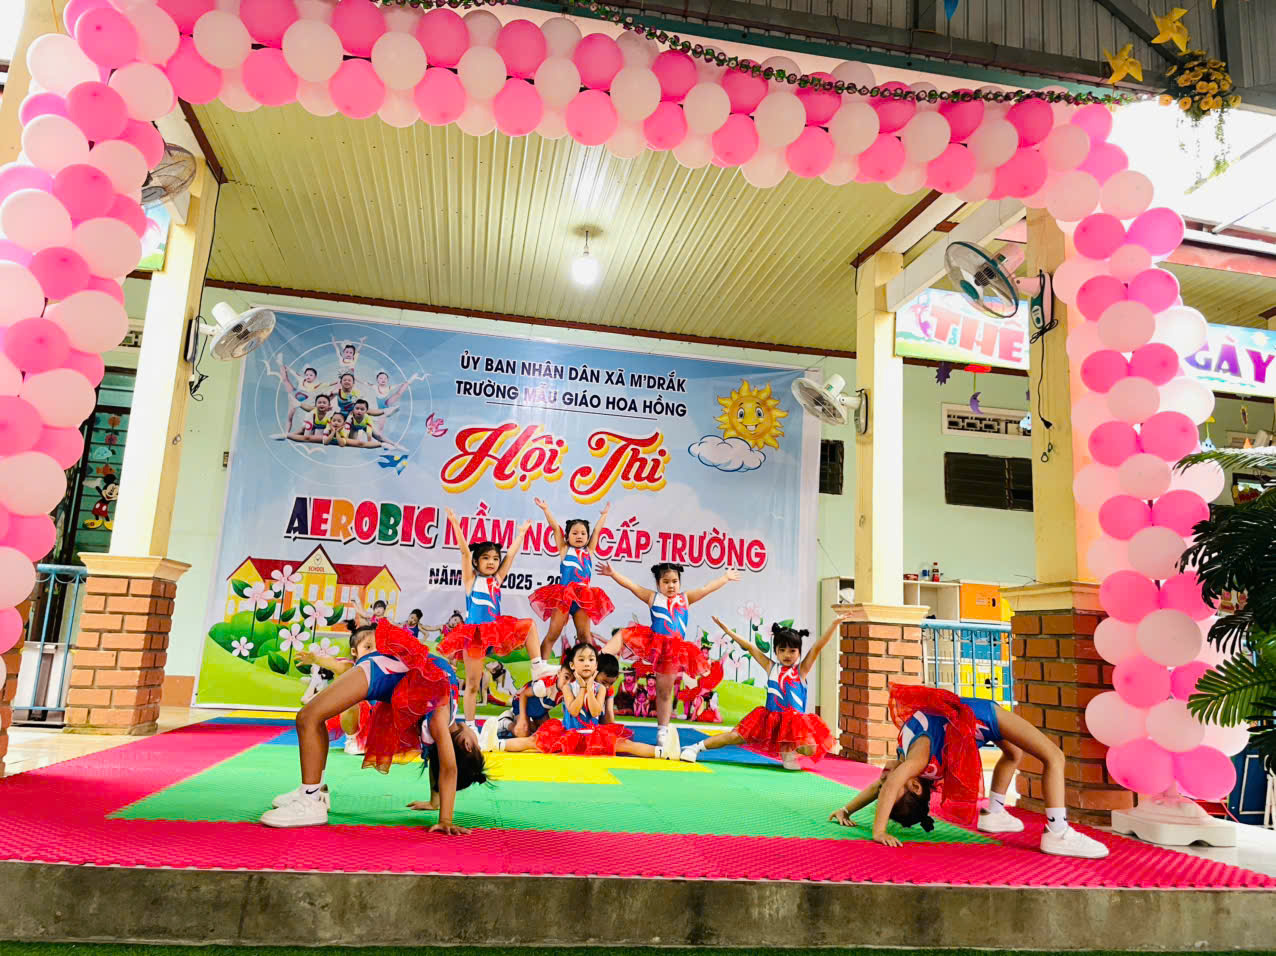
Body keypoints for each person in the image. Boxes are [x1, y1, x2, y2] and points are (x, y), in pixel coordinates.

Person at [827, 683, 1110, 859]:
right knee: (1054, 757)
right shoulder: (918, 760)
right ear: (914, 785)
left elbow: (881, 789)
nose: (883, 777)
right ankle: (1057, 832)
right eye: (890, 783)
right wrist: (878, 832)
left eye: (884, 781)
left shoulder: (907, 763)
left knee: (1014, 754)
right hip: (983, 716)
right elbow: (888, 788)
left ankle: (995, 813)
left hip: (972, 722)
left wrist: (846, 810)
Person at [261, 620, 484, 833]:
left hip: (379, 671)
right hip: (382, 669)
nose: (477, 739)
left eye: (478, 744)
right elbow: (439, 759)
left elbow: (448, 767)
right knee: (311, 717)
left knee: (308, 718)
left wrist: (445, 820)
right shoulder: (440, 726)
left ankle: (310, 800)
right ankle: (312, 791)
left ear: (467, 745)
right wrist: (435, 802)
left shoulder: (439, 719)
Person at [597, 560, 740, 756]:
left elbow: (706, 588)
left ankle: (662, 731)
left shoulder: (685, 598)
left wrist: (725, 578)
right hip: (654, 642)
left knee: (664, 692)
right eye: (666, 582)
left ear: (679, 582)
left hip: (673, 650)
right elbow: (632, 586)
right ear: (658, 584)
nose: (671, 586)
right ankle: (599, 660)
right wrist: (613, 574)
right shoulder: (653, 597)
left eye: (674, 581)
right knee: (623, 634)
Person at [682, 615, 848, 768]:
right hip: (768, 721)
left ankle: (788, 752)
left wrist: (834, 624)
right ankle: (695, 747)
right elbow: (749, 646)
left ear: (799, 652)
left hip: (793, 724)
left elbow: (818, 647)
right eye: (782, 650)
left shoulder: (801, 670)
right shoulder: (771, 667)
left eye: (792, 650)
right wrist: (727, 630)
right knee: (733, 737)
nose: (787, 655)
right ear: (775, 651)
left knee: (811, 748)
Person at [437, 508, 552, 725]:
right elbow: (464, 553)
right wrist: (455, 524)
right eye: (486, 558)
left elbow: (511, 556)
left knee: (529, 625)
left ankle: (537, 666)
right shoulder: (471, 581)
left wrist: (521, 534)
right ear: (476, 562)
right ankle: (470, 725)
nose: (491, 562)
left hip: (495, 630)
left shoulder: (497, 579)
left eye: (495, 558)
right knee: (473, 684)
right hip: (474, 635)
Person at [489, 644, 674, 759]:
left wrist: (590, 687)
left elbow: (595, 711)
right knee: (533, 741)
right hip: (569, 734)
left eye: (591, 660)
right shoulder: (567, 687)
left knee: (625, 745)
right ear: (572, 665)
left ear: (596, 666)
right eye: (582, 659)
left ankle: (662, 752)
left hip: (594, 735)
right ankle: (495, 744)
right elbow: (574, 710)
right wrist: (583, 688)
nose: (586, 663)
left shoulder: (601, 689)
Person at [528, 499, 615, 658]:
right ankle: (540, 669)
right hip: (564, 597)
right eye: (574, 533)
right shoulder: (564, 550)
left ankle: (590, 670)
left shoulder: (589, 551)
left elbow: (597, 531)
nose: (579, 536)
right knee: (553, 635)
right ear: (567, 537)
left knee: (585, 637)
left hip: (583, 599)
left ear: (587, 537)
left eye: (583, 533)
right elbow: (555, 528)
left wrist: (604, 515)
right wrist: (546, 509)